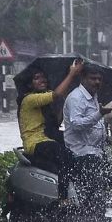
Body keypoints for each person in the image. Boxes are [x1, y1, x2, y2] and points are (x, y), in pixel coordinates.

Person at [17, 59, 83, 199]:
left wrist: (63, 102)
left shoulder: (42, 103)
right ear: (29, 84)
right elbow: (56, 95)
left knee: (74, 154)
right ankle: (63, 198)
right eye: (37, 78)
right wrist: (71, 75)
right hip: (36, 143)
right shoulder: (29, 99)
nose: (42, 80)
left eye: (43, 77)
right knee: (65, 157)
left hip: (46, 139)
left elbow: (56, 122)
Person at [63, 66, 112, 222]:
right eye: (93, 78)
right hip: (82, 153)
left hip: (96, 152)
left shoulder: (93, 96)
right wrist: (99, 114)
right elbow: (76, 124)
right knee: (98, 187)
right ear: (83, 78)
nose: (97, 82)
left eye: (99, 79)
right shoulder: (76, 98)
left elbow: (97, 123)